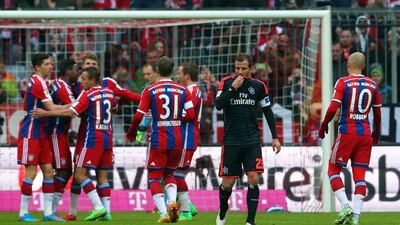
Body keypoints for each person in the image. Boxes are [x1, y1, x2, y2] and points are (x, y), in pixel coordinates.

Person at [31, 67, 115, 221]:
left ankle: (98, 207)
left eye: (84, 79)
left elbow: (70, 112)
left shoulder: (88, 94)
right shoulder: (109, 93)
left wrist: (46, 113)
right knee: (102, 177)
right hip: (108, 139)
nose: (81, 82)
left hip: (92, 139)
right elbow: (114, 107)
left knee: (79, 174)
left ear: (92, 80)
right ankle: (106, 213)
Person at [64, 53, 141, 221]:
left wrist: (144, 99)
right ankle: (73, 211)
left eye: (93, 63)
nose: (89, 65)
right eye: (87, 63)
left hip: (95, 135)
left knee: (89, 173)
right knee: (79, 172)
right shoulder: (78, 85)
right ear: (82, 67)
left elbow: (125, 94)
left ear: (97, 68)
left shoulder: (107, 83)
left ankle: (102, 209)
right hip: (86, 134)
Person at [126, 56, 195, 223]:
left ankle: (164, 213)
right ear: (171, 71)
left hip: (159, 138)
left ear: (157, 71)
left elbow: (138, 116)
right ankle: (172, 203)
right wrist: (177, 122)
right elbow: (191, 115)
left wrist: (132, 132)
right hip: (177, 139)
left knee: (155, 177)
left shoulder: (150, 90)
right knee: (170, 174)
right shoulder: (183, 90)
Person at [215, 53, 281, 225]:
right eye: (237, 68)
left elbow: (267, 111)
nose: (240, 71)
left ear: (250, 69)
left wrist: (275, 137)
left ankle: (250, 222)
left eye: (244, 68)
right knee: (227, 184)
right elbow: (218, 105)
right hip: (231, 141)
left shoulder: (258, 86)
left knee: (253, 177)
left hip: (252, 140)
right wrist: (232, 89)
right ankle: (222, 213)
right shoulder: (226, 83)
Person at [319, 52, 382, 225]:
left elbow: (333, 108)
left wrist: (324, 125)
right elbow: (377, 113)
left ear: (348, 64)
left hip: (347, 132)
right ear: (363, 65)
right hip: (365, 135)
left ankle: (346, 205)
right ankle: (355, 218)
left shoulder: (343, 82)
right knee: (360, 177)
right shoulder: (373, 85)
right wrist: (375, 134)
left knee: (332, 170)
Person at [17, 53, 66, 222]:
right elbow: (51, 107)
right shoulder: (38, 83)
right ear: (37, 68)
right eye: (47, 64)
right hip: (31, 133)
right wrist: (76, 105)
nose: (51, 66)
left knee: (48, 171)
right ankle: (23, 213)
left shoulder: (42, 83)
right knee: (30, 172)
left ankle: (48, 213)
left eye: (51, 64)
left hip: (43, 133)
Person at [48, 58, 79, 215]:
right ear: (67, 70)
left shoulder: (65, 85)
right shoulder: (62, 87)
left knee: (63, 171)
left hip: (61, 133)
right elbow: (74, 108)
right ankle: (50, 210)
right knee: (63, 170)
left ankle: (50, 209)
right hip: (56, 132)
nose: (78, 72)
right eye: (75, 69)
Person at [175, 62, 202, 221]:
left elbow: (187, 115)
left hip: (187, 137)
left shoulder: (190, 92)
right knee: (173, 173)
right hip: (186, 136)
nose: (177, 76)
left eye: (179, 73)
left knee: (177, 175)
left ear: (187, 76)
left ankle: (186, 211)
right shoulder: (193, 91)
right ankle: (189, 205)